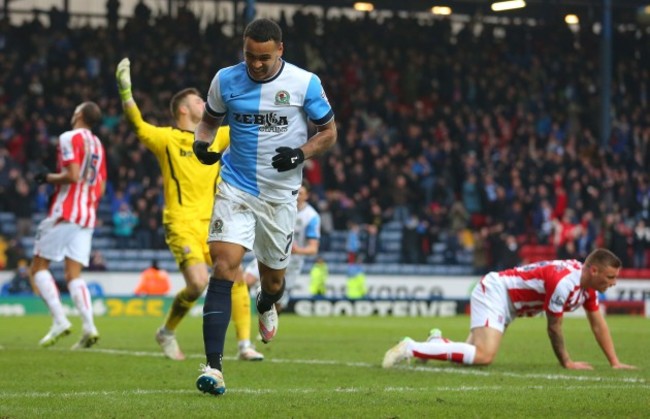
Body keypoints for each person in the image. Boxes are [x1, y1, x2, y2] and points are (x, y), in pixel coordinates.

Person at [192, 18, 337, 395]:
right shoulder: (225, 80)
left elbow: (329, 132)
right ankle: (213, 367)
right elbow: (208, 122)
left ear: (280, 51)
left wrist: (300, 154)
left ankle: (267, 302)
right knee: (223, 266)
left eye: (265, 58)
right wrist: (200, 143)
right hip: (235, 187)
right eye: (250, 56)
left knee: (273, 281)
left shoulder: (305, 83)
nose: (256, 64)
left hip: (279, 197)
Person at [115, 58, 264, 362]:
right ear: (184, 109)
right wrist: (125, 91)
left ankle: (245, 345)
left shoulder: (216, 137)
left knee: (234, 277)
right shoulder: (167, 139)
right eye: (198, 100)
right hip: (181, 223)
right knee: (197, 284)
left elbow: (245, 122)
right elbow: (138, 125)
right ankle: (166, 332)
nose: (204, 103)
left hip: (214, 222)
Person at [382, 248, 637, 370]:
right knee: (484, 356)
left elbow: (597, 322)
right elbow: (553, 327)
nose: (613, 283)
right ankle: (410, 347)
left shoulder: (586, 287)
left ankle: (436, 341)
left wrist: (614, 362)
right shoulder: (565, 283)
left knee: (472, 358)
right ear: (593, 270)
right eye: (610, 277)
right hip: (498, 292)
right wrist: (567, 362)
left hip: (510, 304)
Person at [29, 101, 106, 350]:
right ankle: (89, 327)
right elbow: (101, 185)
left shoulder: (68, 137)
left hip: (66, 211)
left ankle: (60, 320)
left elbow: (72, 175)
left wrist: (47, 177)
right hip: (87, 215)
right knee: (73, 274)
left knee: (38, 267)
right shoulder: (98, 144)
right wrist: (88, 204)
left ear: (79, 114)